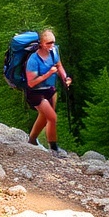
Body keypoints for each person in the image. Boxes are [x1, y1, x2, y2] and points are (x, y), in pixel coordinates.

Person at [25, 28, 72, 157]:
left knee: (44, 117)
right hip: (35, 92)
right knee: (52, 117)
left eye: (53, 42)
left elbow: (59, 65)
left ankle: (32, 140)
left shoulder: (54, 51)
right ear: (41, 43)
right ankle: (54, 148)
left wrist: (65, 77)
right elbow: (31, 83)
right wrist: (48, 74)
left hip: (50, 89)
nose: (51, 45)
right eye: (48, 43)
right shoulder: (33, 60)